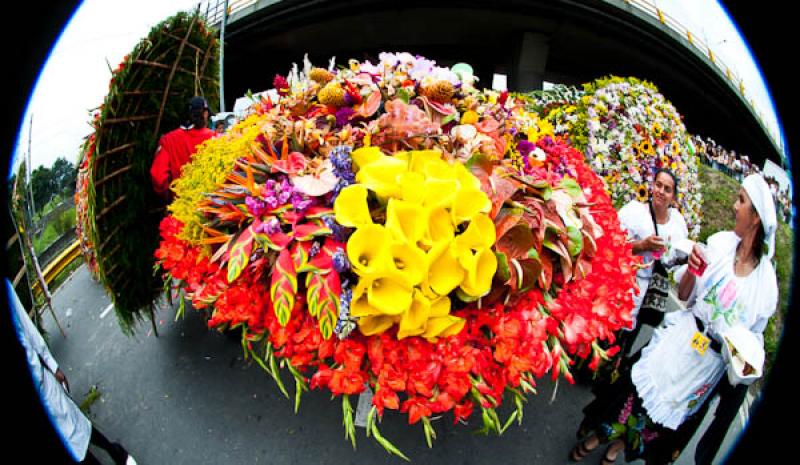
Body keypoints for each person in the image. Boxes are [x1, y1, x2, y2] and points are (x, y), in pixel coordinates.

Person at [570, 173, 778, 465]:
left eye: (741, 200)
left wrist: (744, 353)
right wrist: (692, 270)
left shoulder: (766, 286)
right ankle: (598, 434)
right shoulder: (718, 244)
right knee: (636, 390)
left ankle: (617, 447)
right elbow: (685, 294)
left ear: (755, 217)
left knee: (660, 419)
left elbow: (754, 342)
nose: (734, 206)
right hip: (681, 339)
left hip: (707, 365)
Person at [7, 279, 137, 464]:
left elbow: (29, 331)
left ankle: (116, 452)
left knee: (77, 424)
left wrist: (53, 366)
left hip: (42, 383)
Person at [614, 168, 688, 356]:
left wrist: (681, 257)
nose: (661, 191)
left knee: (629, 337)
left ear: (673, 197)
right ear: (652, 186)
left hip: (650, 291)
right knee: (612, 330)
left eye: (667, 189)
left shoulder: (678, 224)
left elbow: (673, 262)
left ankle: (613, 371)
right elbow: (614, 245)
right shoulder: (634, 212)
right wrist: (641, 245)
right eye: (658, 185)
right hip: (624, 283)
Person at [150, 96, 215, 201]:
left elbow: (159, 177)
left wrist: (169, 197)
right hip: (210, 206)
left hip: (180, 207)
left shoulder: (168, 140)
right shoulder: (213, 137)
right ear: (204, 114)